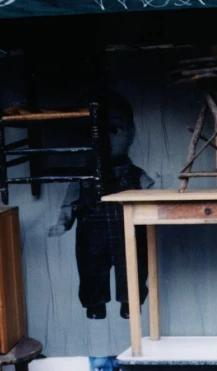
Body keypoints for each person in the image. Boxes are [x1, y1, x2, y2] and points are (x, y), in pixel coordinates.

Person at [48, 90, 154, 320]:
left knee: (134, 268)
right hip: (92, 236)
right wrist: (62, 224)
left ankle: (131, 303)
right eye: (99, 130)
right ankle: (95, 306)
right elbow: (70, 204)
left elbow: (151, 202)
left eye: (115, 129)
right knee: (91, 270)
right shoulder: (84, 178)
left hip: (129, 235)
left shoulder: (138, 177)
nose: (106, 138)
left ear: (131, 133)